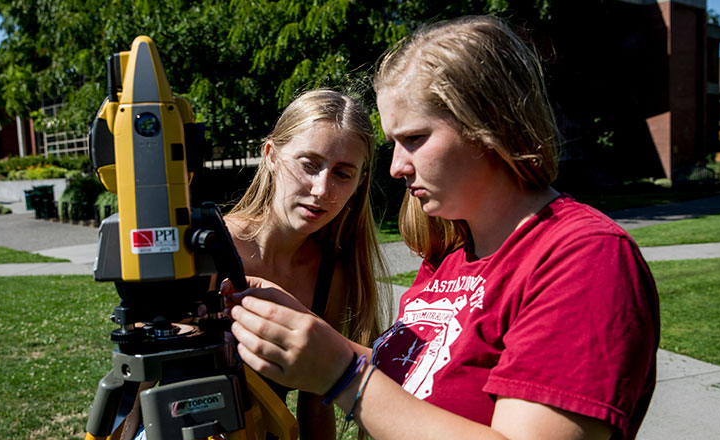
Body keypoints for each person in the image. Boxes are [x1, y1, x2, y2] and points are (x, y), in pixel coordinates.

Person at [224, 15, 659, 440]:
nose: (395, 167)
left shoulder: (584, 259)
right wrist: (305, 330)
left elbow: (362, 382)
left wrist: (343, 375)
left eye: (413, 139)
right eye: (393, 143)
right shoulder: (452, 259)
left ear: (488, 124)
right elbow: (417, 380)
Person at [223, 89, 387, 439]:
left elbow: (317, 403)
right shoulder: (209, 249)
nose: (321, 189)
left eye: (342, 173)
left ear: (360, 181)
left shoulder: (332, 274)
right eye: (309, 165)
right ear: (270, 155)